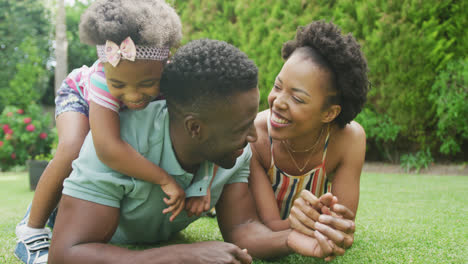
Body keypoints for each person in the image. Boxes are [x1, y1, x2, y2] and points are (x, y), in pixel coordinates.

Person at [48, 39, 348, 264]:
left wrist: (294, 237)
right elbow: (65, 253)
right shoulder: (119, 144)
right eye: (241, 127)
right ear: (195, 128)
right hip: (73, 217)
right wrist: (179, 256)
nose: (254, 136)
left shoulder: (235, 153)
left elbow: (242, 228)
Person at [14, 1, 204, 263]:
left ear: (165, 66)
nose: (134, 95)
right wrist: (164, 179)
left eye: (148, 84)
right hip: (80, 96)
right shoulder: (103, 80)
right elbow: (107, 149)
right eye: (120, 84)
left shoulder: (171, 77)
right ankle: (31, 229)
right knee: (73, 147)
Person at [249, 21, 369, 260]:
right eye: (277, 86)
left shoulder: (349, 140)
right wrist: (309, 224)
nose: (278, 102)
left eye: (298, 98)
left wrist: (328, 225)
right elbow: (271, 224)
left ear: (329, 113)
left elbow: (341, 225)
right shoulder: (255, 136)